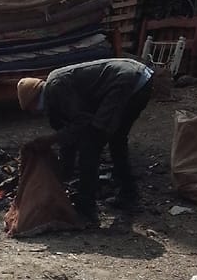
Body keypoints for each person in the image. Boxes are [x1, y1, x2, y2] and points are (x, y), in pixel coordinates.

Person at [17, 57, 154, 221]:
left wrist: (51, 140)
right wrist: (63, 174)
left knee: (92, 143)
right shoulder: (54, 97)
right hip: (139, 78)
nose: (33, 114)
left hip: (128, 81)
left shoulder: (56, 89)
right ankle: (129, 194)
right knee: (116, 139)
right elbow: (67, 136)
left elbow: (82, 123)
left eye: (31, 109)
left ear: (34, 100)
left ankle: (87, 207)